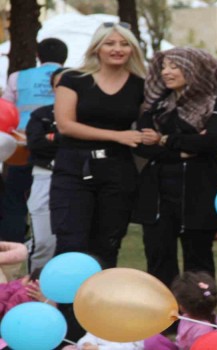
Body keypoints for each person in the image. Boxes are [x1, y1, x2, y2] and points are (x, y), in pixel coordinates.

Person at [133, 47, 217, 287]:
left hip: (198, 192)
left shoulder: (216, 102)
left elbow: (211, 141)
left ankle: (199, 319)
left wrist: (164, 139)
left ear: (194, 70)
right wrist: (186, 148)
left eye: (174, 66)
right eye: (164, 66)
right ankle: (164, 320)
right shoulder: (155, 106)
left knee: (198, 261)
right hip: (158, 194)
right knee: (158, 258)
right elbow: (142, 145)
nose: (166, 72)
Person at [51, 22, 145, 268]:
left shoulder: (141, 84)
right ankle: (65, 305)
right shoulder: (72, 79)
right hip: (74, 167)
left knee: (108, 244)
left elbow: (149, 122)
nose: (118, 49)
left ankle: (101, 302)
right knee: (71, 243)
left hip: (118, 170)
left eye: (124, 44)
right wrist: (117, 135)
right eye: (110, 43)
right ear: (97, 48)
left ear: (133, 49)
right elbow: (65, 125)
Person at [0, 38, 67, 245]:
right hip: (58, 148)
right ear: (65, 58)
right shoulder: (73, 78)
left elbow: (6, 109)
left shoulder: (17, 77)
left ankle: (14, 243)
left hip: (21, 147)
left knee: (15, 198)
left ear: (38, 56)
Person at [24, 67, 65, 272]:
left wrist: (54, 138)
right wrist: (62, 138)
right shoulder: (42, 115)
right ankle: (34, 288)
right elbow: (36, 143)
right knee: (44, 242)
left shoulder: (87, 116)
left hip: (77, 178)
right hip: (44, 176)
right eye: (60, 84)